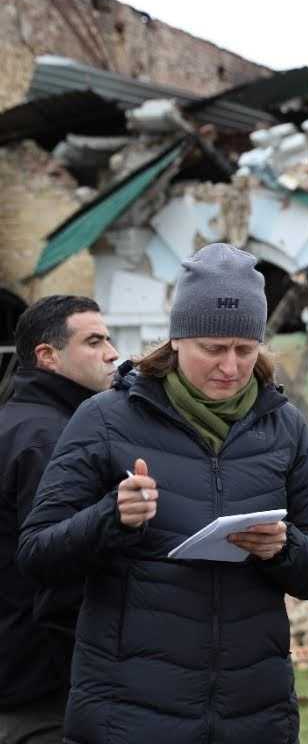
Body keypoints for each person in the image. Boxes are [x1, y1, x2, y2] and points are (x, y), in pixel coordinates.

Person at [18, 244, 308, 743]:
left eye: (245, 349)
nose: (230, 367)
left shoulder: (285, 427)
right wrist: (113, 516)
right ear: (176, 340)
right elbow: (38, 553)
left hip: (252, 712)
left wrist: (283, 547)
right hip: (128, 714)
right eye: (213, 349)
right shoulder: (105, 418)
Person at [0, 296, 118, 744]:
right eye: (94, 341)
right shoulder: (50, 438)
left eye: (108, 339)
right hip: (44, 685)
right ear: (48, 356)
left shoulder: (20, 422)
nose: (111, 352)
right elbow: (57, 566)